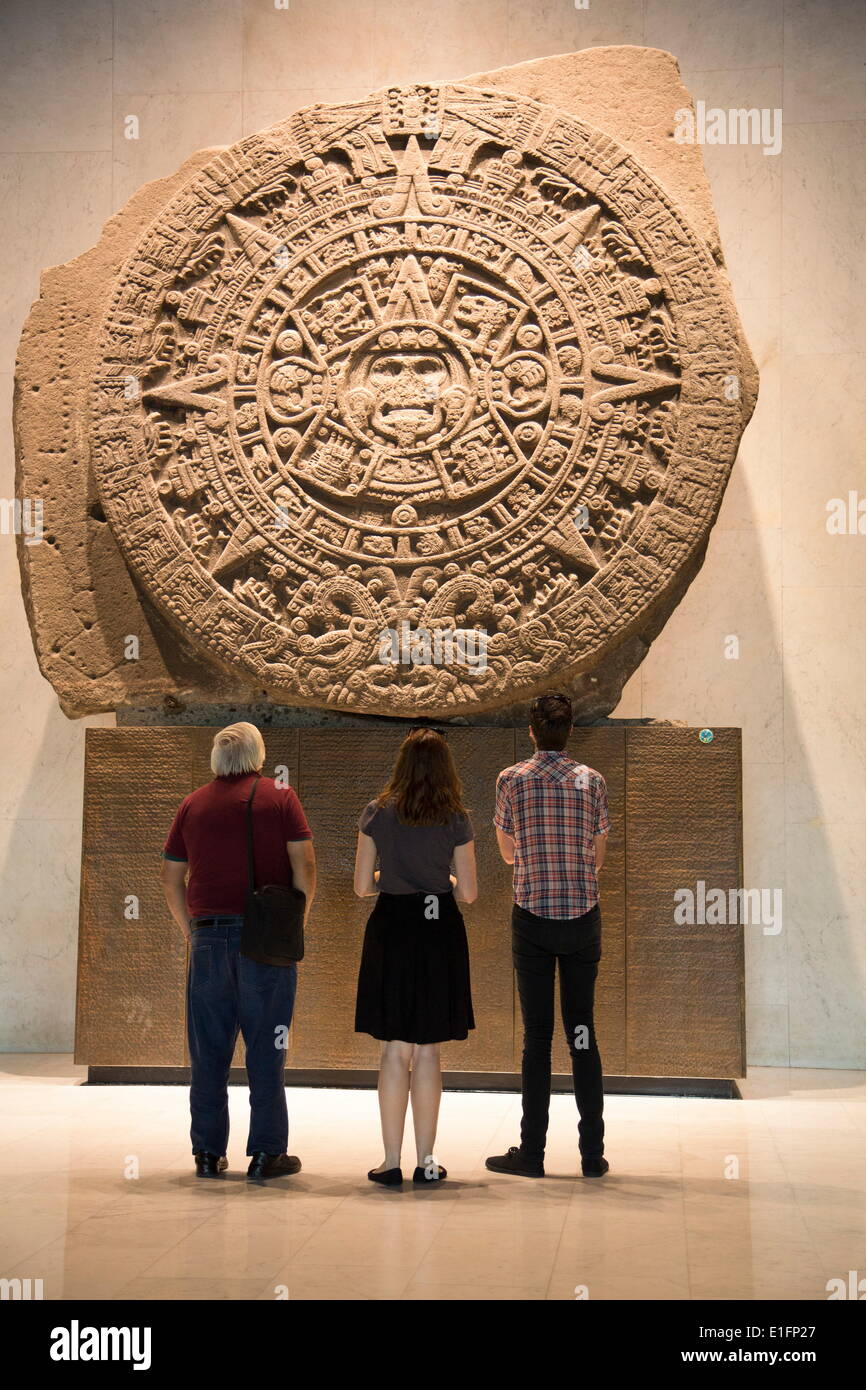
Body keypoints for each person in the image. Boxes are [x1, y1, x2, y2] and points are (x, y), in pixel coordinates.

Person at [160, 722, 316, 1181]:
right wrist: (295, 923)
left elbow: (171, 878)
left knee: (208, 1051)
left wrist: (192, 931)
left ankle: (207, 1153)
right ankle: (267, 1153)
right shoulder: (280, 797)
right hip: (265, 939)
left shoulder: (193, 804)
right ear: (258, 754)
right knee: (268, 1048)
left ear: (217, 757)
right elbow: (304, 862)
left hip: (208, 938)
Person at [486, 694, 610, 1179]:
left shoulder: (511, 780)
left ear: (533, 731)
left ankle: (532, 1153)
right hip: (582, 919)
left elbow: (507, 854)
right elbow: (598, 858)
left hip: (532, 919)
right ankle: (591, 1156)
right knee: (582, 1032)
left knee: (537, 1038)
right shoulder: (591, 781)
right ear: (570, 730)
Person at [353, 728, 477, 1187]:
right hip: (437, 927)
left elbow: (363, 886)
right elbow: (469, 892)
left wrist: (392, 872)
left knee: (393, 1048)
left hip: (391, 927)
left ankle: (389, 1161)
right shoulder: (456, 818)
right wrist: (435, 874)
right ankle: (427, 1160)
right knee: (427, 1048)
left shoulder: (377, 813)